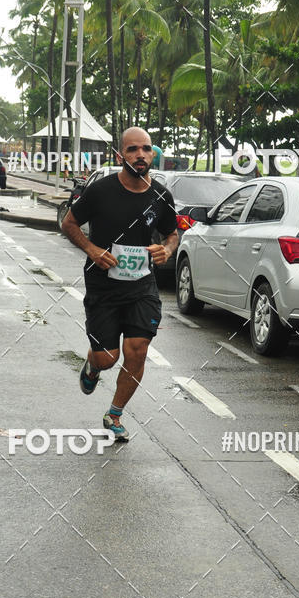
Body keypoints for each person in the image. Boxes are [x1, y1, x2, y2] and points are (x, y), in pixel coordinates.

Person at [62, 127, 179, 442]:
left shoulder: (161, 196)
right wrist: (92, 250)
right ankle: (93, 364)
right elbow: (68, 223)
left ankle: (114, 414)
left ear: (152, 154)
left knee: (137, 350)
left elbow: (172, 234)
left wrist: (166, 250)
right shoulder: (101, 190)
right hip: (103, 288)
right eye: (132, 149)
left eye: (146, 149)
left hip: (142, 288)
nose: (140, 155)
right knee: (108, 357)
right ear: (120, 155)